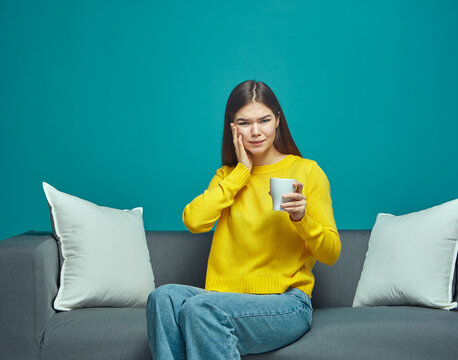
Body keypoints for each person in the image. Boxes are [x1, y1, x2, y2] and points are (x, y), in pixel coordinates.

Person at [146, 80, 341, 359]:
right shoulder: (228, 177)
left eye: (263, 120)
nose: (256, 131)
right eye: (244, 123)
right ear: (232, 128)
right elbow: (194, 221)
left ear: (277, 120)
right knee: (162, 298)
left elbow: (332, 253)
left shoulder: (306, 171)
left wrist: (302, 219)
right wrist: (241, 174)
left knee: (199, 309)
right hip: (222, 301)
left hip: (286, 303)